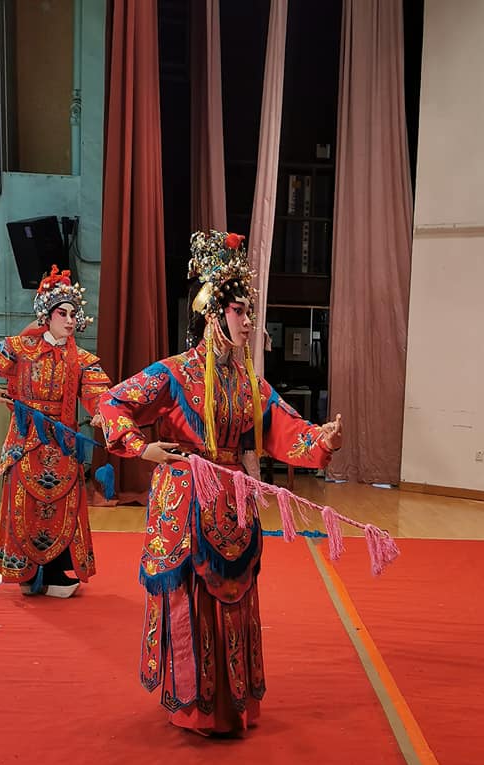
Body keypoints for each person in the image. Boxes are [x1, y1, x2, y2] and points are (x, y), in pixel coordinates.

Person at [99, 230, 343, 737]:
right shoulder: (175, 373)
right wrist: (141, 447)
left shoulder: (249, 382)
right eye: (240, 311)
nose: (249, 321)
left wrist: (320, 439)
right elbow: (113, 402)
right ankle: (194, 707)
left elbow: (282, 425)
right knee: (192, 600)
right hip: (187, 498)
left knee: (233, 598)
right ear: (213, 314)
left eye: (249, 312)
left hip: (233, 502)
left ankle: (233, 705)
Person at [0, 266, 112, 598]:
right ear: (46, 316)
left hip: (62, 444)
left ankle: (53, 572)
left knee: (62, 509)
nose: (70, 320)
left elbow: (99, 395)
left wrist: (103, 414)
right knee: (24, 507)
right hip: (25, 441)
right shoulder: (20, 348)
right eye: (63, 313)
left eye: (74, 314)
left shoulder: (82, 360)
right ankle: (27, 574)